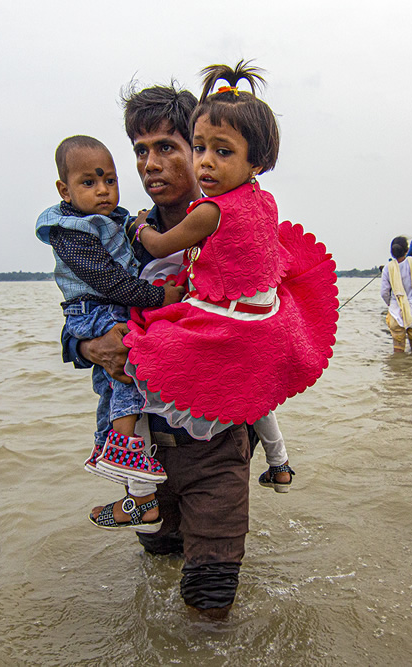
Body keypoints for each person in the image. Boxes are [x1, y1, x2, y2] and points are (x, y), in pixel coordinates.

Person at [63, 70, 336, 616]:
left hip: (218, 449)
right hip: (147, 454)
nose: (149, 164)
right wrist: (91, 347)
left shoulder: (246, 233)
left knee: (208, 605)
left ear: (202, 150)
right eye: (140, 150)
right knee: (158, 574)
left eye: (167, 146)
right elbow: (76, 322)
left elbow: (278, 327)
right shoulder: (116, 240)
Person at [35, 136, 187, 532]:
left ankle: (119, 461)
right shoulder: (75, 230)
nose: (103, 190)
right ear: (64, 191)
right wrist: (88, 346)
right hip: (98, 312)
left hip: (206, 440)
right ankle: (126, 461)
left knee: (116, 382)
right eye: (90, 183)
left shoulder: (138, 223)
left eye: (109, 180)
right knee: (123, 374)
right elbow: (106, 286)